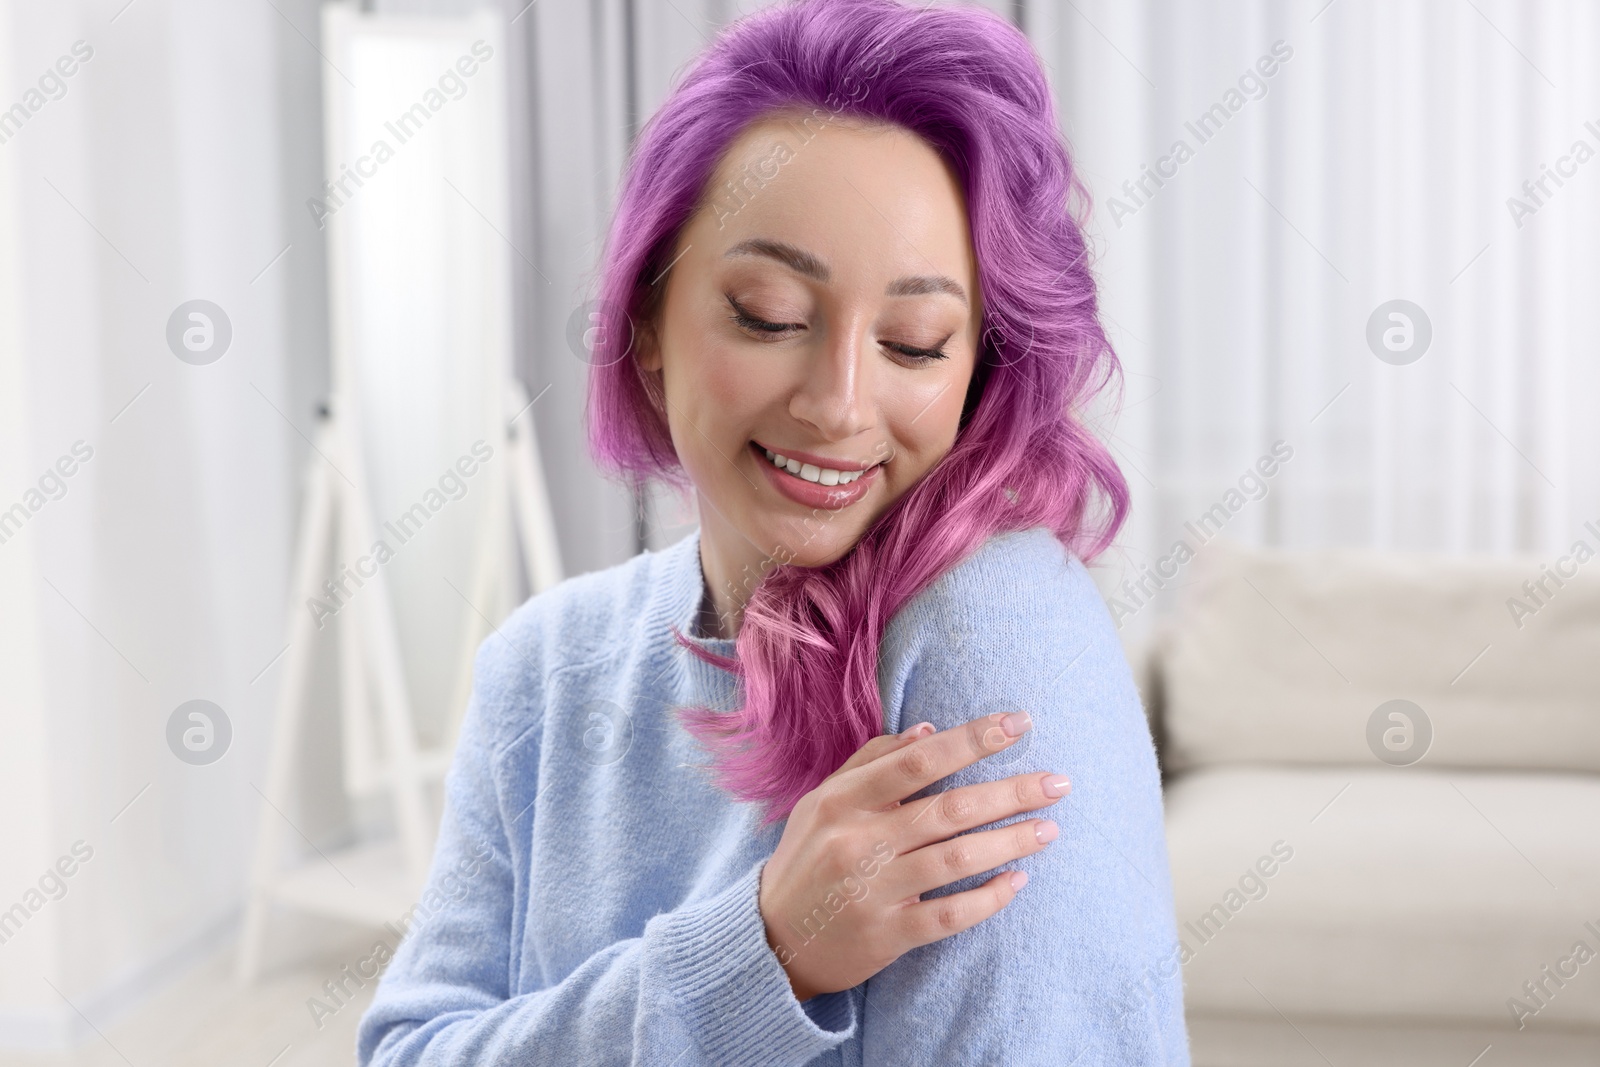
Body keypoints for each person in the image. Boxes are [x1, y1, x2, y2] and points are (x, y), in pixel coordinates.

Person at [356, 0, 1189, 1062]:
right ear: (647, 320)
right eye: (769, 315)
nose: (839, 404)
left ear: (979, 367)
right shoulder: (543, 667)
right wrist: (759, 952)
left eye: (915, 340)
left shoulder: (994, 628)